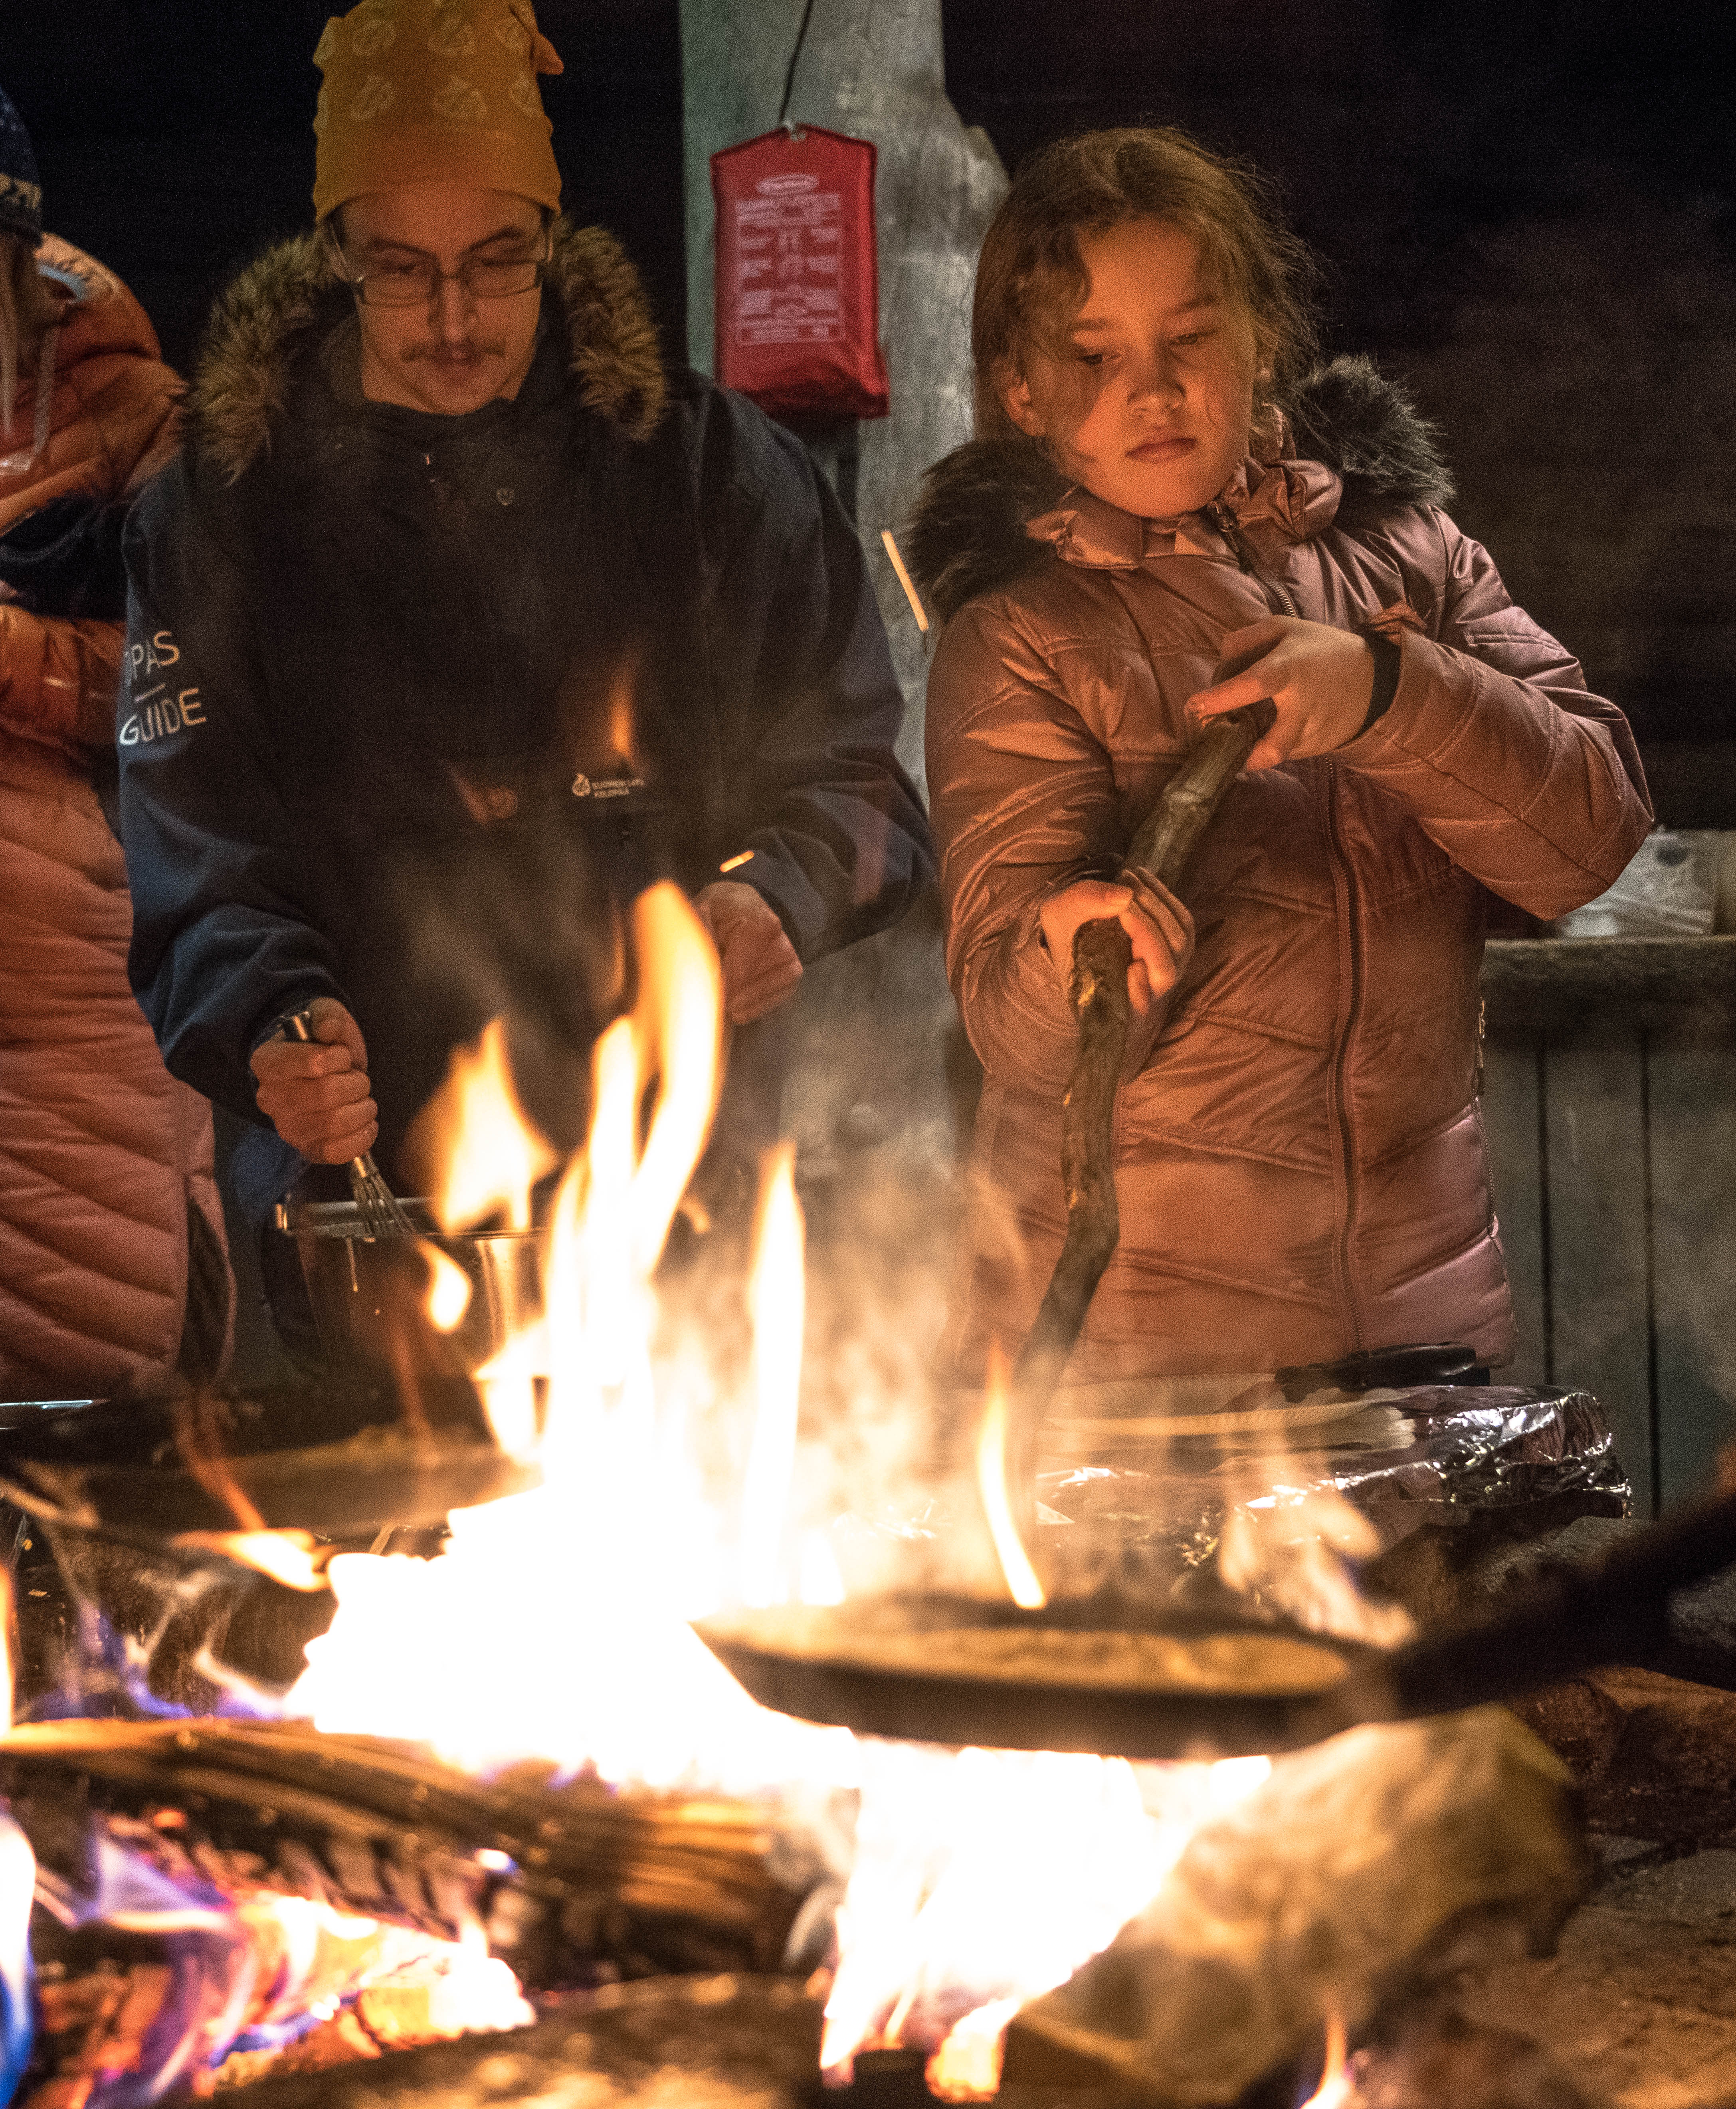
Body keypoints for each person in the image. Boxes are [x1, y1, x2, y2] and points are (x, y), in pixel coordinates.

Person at [117, 0, 931, 1343]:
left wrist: (778, 892)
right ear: (336, 255)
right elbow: (195, 857)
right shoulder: (224, 515)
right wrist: (272, 1015)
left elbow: (857, 779)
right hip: (368, 1232)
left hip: (676, 1205)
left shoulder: (706, 477)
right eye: (401, 269)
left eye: (495, 261)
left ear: (551, 238)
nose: (453, 319)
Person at [908, 128, 1651, 1390]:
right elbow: (1023, 1039)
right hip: (1146, 1368)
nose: (1154, 390)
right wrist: (1076, 948)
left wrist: (1389, 694)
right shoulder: (1021, 635)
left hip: (1424, 1336)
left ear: (1260, 339)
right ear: (1023, 391)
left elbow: (1592, 836)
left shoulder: (1410, 555)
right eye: (1095, 357)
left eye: (1191, 338)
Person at [0, 83, 233, 1399]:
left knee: (94, 1424)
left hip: (78, 1010)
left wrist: (14, 656)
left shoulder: (134, 418)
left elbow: (208, 684)